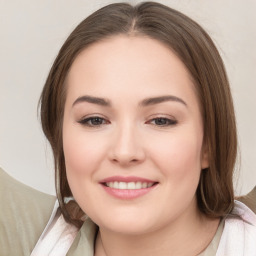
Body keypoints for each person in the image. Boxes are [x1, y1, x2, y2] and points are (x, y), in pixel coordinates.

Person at [1, 1, 256, 255]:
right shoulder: (29, 238)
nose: (125, 151)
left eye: (161, 120)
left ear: (210, 142)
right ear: (60, 135)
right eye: (95, 120)